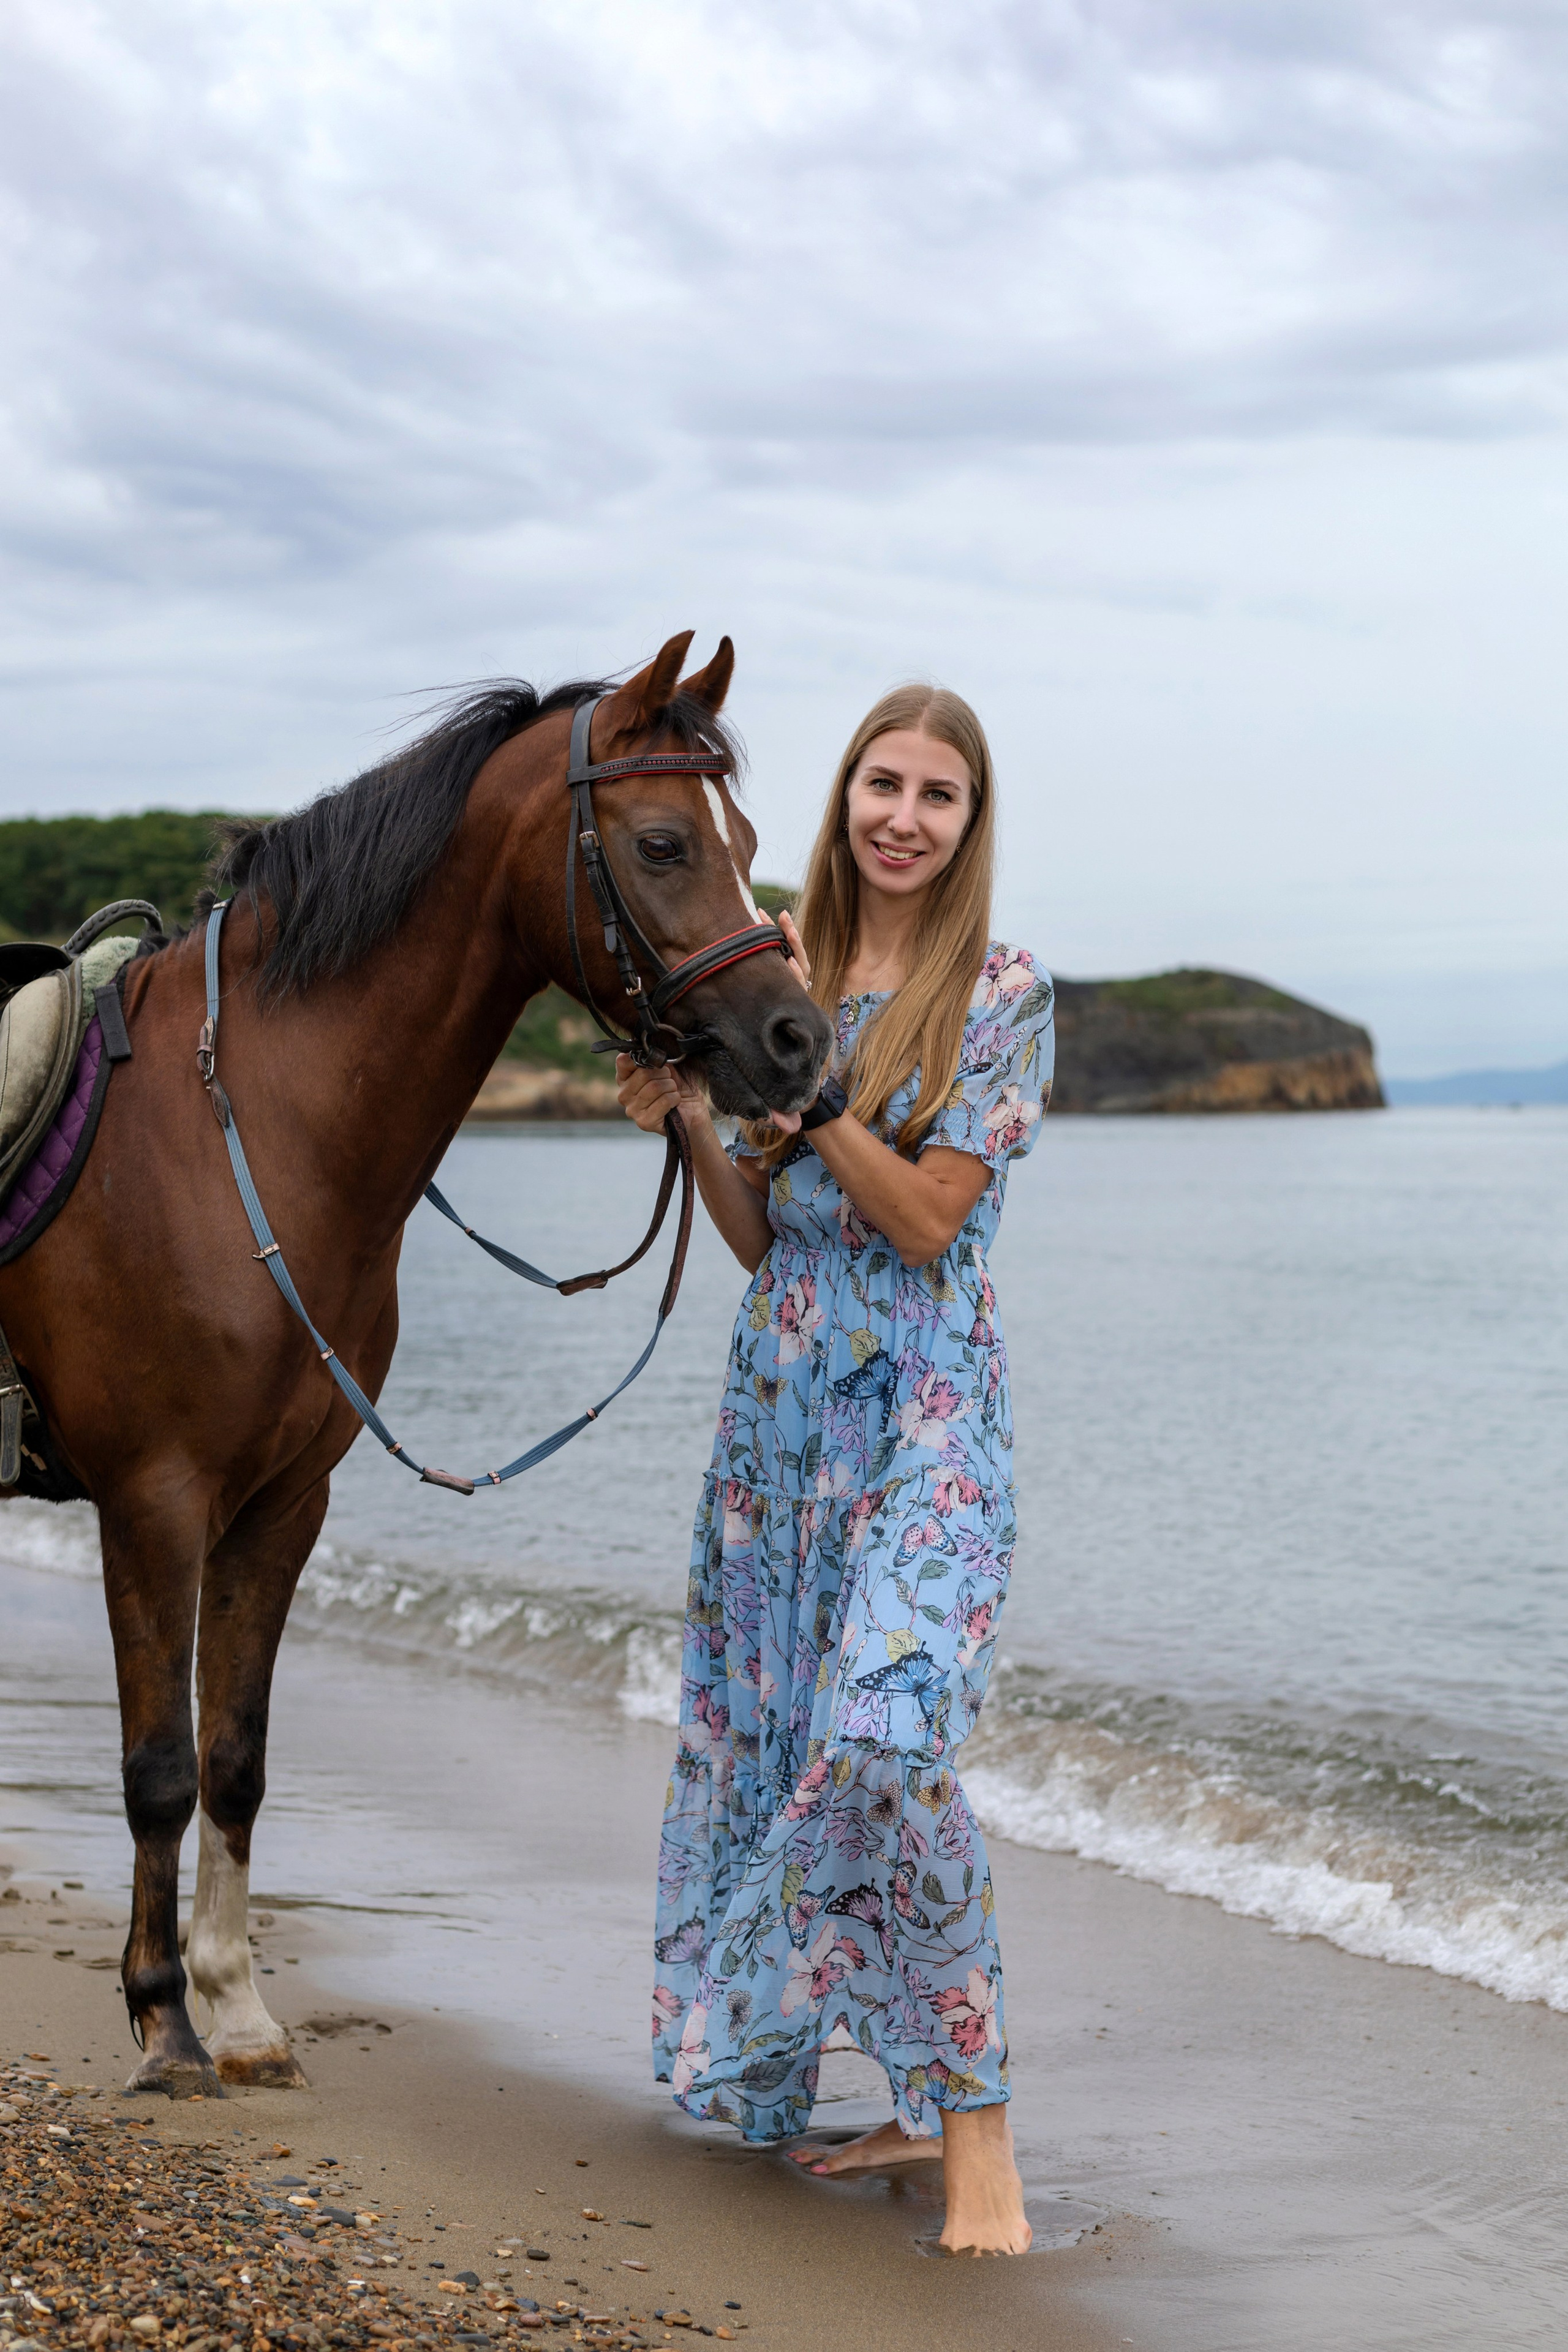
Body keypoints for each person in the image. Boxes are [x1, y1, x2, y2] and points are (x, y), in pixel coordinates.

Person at [617, 684, 1053, 2256]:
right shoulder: (776, 971)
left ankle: (979, 2128)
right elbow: (761, 1241)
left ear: (966, 823)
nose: (902, 816)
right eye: (883, 782)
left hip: (927, 1423)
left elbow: (927, 1222)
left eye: (938, 795)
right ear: (843, 795)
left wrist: (809, 1103)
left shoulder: (999, 990)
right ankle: (904, 2106)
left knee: (888, 1741)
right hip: (779, 1432)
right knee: (785, 1755)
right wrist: (688, 1118)